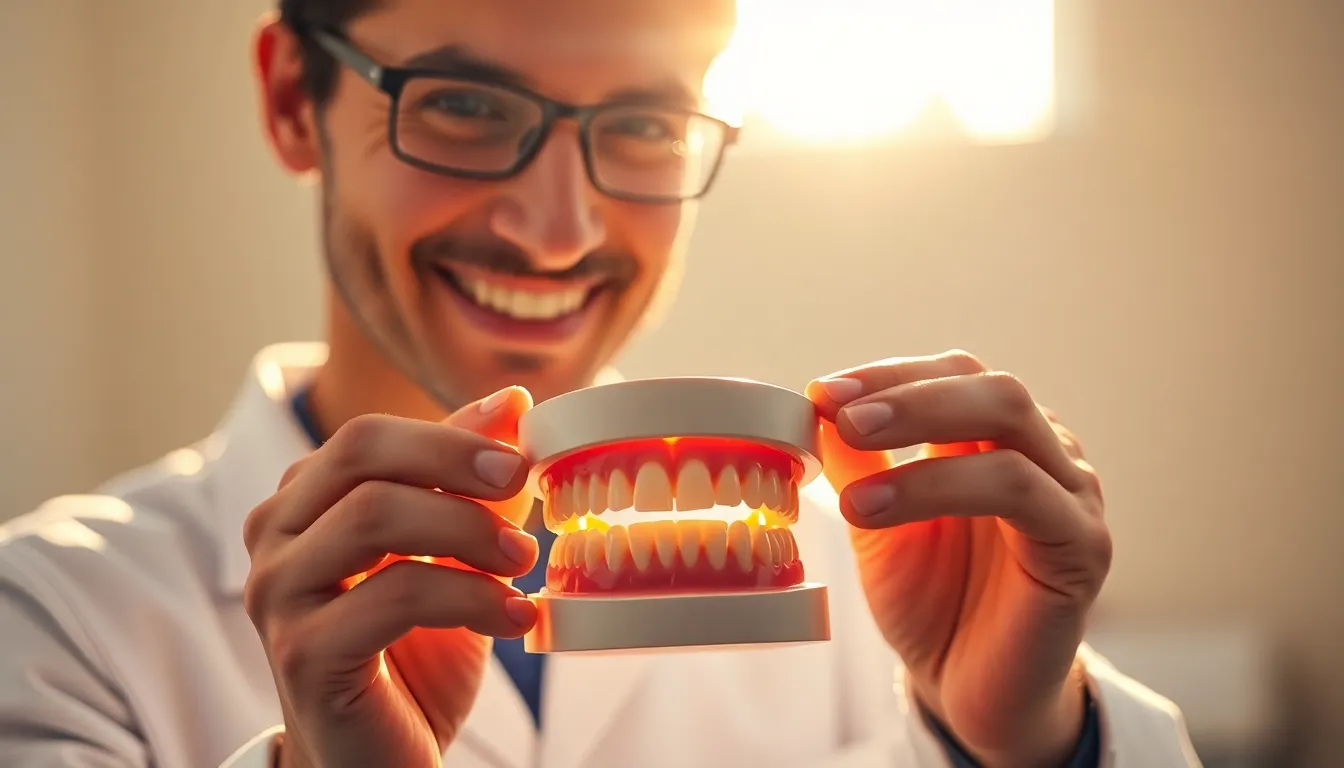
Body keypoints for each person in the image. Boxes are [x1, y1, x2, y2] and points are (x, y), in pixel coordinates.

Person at [0, 1, 1203, 766]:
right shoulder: (53, 625)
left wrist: (1023, 743)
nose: (560, 231)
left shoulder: (873, 582)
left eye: (644, 124)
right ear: (289, 103)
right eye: (464, 106)